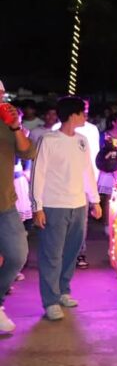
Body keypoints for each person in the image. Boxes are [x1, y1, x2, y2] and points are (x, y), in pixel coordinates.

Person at [30, 96, 102, 321]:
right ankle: (50, 301)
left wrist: (95, 200)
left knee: (71, 252)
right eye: (82, 113)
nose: (85, 117)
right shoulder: (49, 140)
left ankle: (63, 290)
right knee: (52, 255)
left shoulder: (82, 140)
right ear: (73, 115)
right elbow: (38, 173)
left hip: (78, 204)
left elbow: (87, 171)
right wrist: (38, 207)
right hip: (54, 205)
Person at [0, 82, 35, 333]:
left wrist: (14, 126)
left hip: (4, 203)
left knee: (17, 254)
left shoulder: (8, 122)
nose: (3, 99)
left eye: (3, 94)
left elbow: (27, 152)